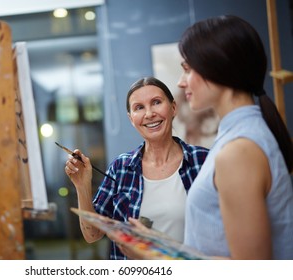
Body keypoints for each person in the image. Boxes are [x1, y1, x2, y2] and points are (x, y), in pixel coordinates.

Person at [175, 15, 293, 259]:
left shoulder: (238, 150)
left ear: (218, 66)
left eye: (187, 69)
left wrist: (166, 260)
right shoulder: (241, 135)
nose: (181, 82)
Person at [64, 76, 209, 259]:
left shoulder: (203, 161)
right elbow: (92, 235)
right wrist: (82, 185)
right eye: (139, 108)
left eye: (156, 102)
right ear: (131, 118)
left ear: (173, 108)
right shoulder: (121, 167)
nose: (149, 114)